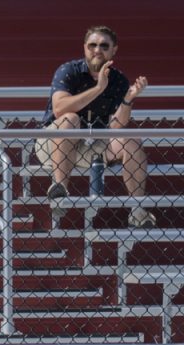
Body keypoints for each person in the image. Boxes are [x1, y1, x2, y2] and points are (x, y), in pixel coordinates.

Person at [38, 25, 154, 228]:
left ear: (114, 50)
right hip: (54, 143)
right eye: (92, 45)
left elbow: (116, 126)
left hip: (94, 145)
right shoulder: (69, 71)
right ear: (84, 47)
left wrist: (128, 100)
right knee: (70, 120)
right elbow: (59, 109)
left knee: (131, 140)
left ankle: (137, 211)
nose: (97, 50)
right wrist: (99, 88)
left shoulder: (118, 80)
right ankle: (59, 192)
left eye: (104, 45)